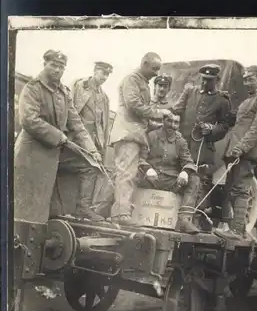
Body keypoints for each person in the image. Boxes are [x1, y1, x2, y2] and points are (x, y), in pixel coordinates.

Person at [14, 50, 103, 224]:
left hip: (53, 153)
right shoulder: (33, 88)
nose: (57, 70)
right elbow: (29, 120)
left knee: (89, 164)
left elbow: (77, 124)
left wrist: (92, 151)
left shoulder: (64, 93)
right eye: (53, 65)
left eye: (61, 67)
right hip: (32, 154)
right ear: (44, 64)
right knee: (25, 213)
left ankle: (81, 209)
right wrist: (58, 135)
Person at [109, 52, 170, 225]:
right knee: (126, 174)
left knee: (125, 174)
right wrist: (158, 114)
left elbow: (138, 116)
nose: (157, 73)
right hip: (127, 134)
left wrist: (153, 125)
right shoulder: (132, 80)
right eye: (154, 68)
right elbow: (133, 105)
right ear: (144, 63)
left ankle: (116, 211)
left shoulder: (142, 82)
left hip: (133, 134)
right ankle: (121, 214)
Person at [215, 65, 257, 240]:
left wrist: (242, 147)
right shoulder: (247, 101)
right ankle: (231, 227)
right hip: (234, 152)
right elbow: (236, 121)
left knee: (241, 189)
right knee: (231, 189)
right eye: (245, 79)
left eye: (250, 79)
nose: (247, 82)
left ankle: (237, 230)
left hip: (245, 152)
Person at [138, 112, 200, 234]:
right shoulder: (151, 136)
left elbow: (188, 161)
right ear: (163, 121)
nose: (172, 125)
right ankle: (117, 211)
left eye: (176, 122)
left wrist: (185, 172)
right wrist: (147, 169)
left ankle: (184, 220)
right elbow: (140, 158)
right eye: (169, 121)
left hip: (171, 181)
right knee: (127, 174)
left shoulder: (181, 142)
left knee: (194, 179)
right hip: (150, 178)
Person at [70, 61, 114, 214]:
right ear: (95, 70)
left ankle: (87, 207)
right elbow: (71, 112)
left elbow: (103, 125)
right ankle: (82, 207)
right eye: (103, 73)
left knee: (96, 171)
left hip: (95, 141)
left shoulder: (104, 97)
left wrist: (102, 146)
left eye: (107, 74)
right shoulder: (80, 86)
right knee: (87, 168)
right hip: (76, 137)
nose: (105, 77)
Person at [171, 64, 233, 165]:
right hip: (182, 144)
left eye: (209, 80)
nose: (204, 82)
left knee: (200, 177)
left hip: (203, 148)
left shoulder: (222, 100)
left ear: (217, 80)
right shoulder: (190, 91)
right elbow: (175, 110)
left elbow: (225, 125)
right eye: (203, 79)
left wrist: (212, 128)